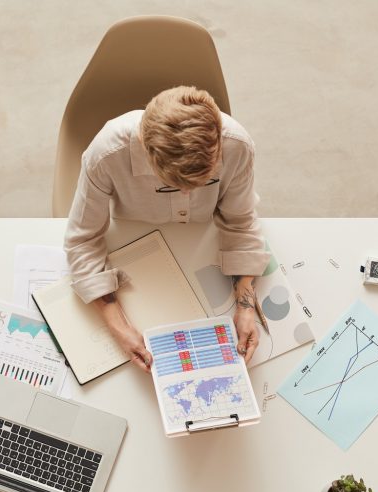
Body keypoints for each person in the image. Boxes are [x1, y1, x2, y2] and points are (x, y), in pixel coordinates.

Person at [64, 85, 270, 372]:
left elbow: (241, 221)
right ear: (147, 151)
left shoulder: (238, 145)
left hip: (201, 246)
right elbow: (82, 241)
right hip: (134, 245)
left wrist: (246, 307)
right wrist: (118, 326)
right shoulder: (105, 154)